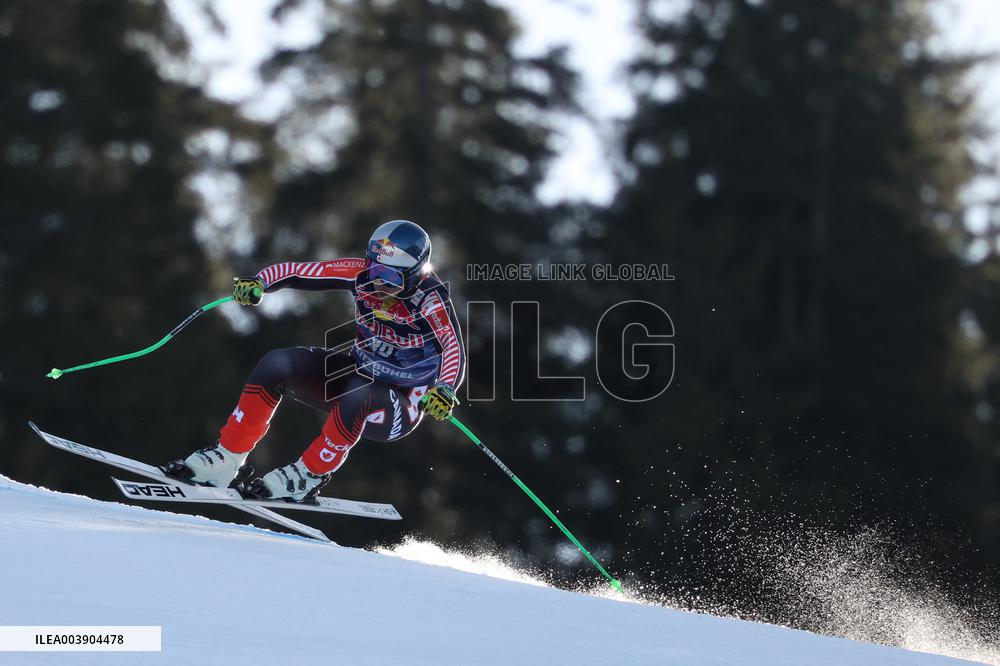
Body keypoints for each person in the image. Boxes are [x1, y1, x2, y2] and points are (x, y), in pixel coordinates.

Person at [163, 219, 464, 502]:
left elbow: (453, 347)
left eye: (389, 277)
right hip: (357, 372)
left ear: (414, 275)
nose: (377, 284)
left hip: (399, 404)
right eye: (373, 271)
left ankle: (309, 474)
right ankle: (227, 457)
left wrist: (446, 389)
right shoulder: (359, 273)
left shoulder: (429, 300)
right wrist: (259, 283)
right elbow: (299, 271)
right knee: (277, 365)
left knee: (360, 392)